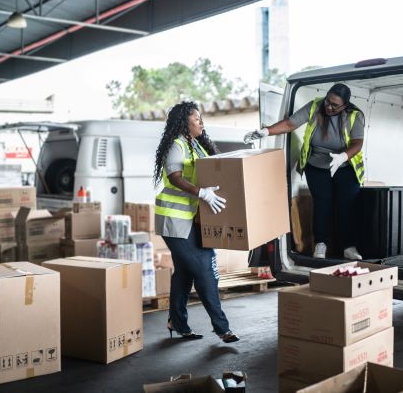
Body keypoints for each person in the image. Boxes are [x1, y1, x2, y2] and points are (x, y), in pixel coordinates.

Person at [244, 83, 365, 260]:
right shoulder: (316, 106)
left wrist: (342, 157)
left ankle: (348, 247)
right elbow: (289, 123)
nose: (329, 107)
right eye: (328, 101)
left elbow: (357, 143)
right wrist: (266, 131)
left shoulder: (355, 116)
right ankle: (320, 244)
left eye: (334, 105)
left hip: (344, 166)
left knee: (346, 206)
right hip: (316, 166)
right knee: (322, 205)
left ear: (345, 105)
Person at [153, 101, 239, 343]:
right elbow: (174, 177)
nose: (201, 122)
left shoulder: (196, 146)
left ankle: (177, 322)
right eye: (197, 118)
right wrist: (202, 192)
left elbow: (212, 169)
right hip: (174, 221)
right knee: (205, 268)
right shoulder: (176, 145)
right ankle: (223, 329)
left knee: (184, 273)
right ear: (185, 122)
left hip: (192, 221)